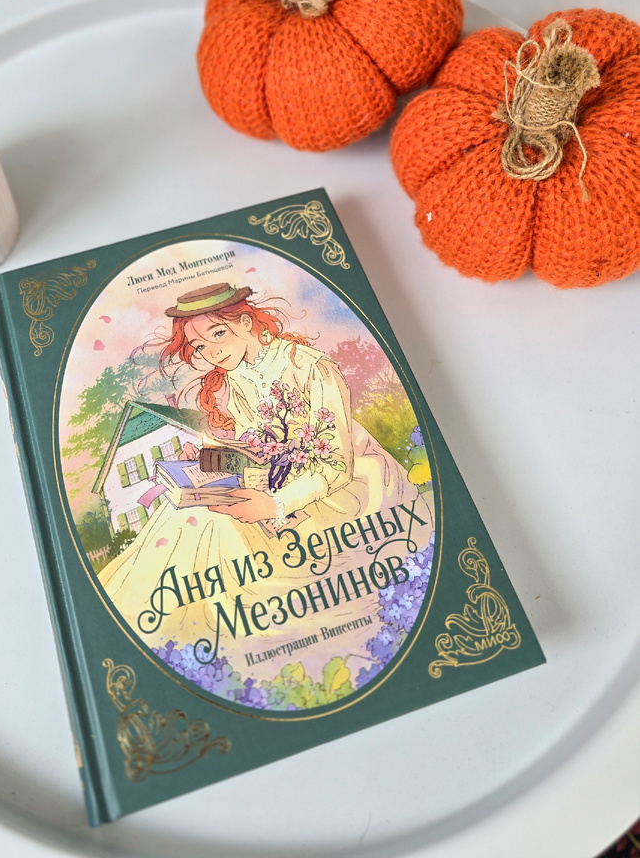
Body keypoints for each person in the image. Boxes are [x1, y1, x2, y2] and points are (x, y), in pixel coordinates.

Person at [98, 283, 432, 689]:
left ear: (244, 322)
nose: (211, 352)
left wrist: (274, 505)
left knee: (217, 526)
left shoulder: (310, 366)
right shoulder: (236, 378)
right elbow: (258, 447)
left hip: (344, 485)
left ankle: (202, 635)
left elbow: (335, 464)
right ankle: (134, 624)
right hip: (281, 478)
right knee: (186, 512)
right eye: (200, 347)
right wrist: (207, 459)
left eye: (217, 334)